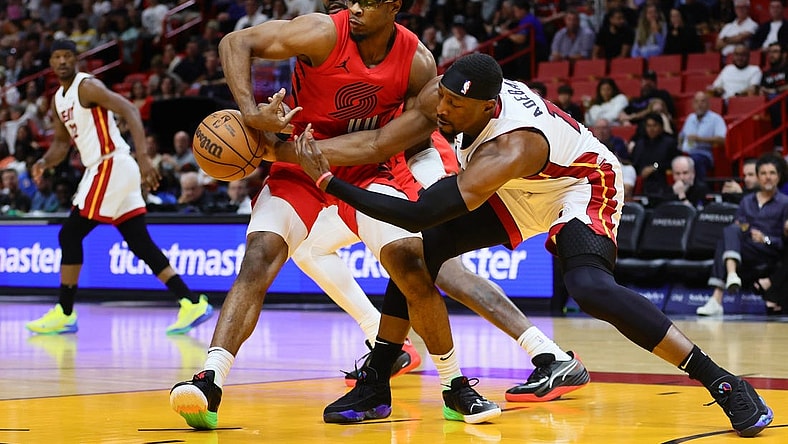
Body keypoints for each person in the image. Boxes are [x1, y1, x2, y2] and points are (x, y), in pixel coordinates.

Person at [286, 53, 774, 437]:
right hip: (525, 186)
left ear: (487, 108)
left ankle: (721, 379)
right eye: (445, 99)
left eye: (456, 106)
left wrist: (328, 182)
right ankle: (375, 385)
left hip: (579, 184)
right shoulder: (454, 95)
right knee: (419, 252)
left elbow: (419, 211)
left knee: (589, 288)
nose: (443, 111)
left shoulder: (509, 146)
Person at [169, 2, 585, 431]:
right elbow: (236, 41)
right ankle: (210, 379)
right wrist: (252, 113)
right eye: (349, 1)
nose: (352, 9)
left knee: (419, 262)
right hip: (302, 164)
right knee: (266, 255)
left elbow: (381, 145)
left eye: (365, 1)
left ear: (393, 6)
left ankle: (460, 381)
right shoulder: (321, 33)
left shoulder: (418, 63)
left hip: (377, 165)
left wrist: (278, 149)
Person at [24, 40, 214, 336]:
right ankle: (191, 302)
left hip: (110, 163)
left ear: (76, 59)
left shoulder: (86, 87)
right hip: (106, 168)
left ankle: (64, 311)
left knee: (70, 233)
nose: (62, 61)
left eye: (68, 56)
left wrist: (144, 158)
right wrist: (44, 163)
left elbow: (130, 110)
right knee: (139, 242)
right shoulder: (58, 100)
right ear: (50, 63)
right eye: (56, 57)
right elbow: (61, 144)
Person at [696, 154, 788, 317]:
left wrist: (765, 239)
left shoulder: (784, 202)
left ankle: (717, 297)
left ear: (779, 177)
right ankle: (730, 277)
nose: (768, 177)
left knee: (727, 239)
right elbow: (740, 224)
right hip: (747, 247)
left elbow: (784, 241)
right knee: (730, 231)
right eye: (764, 173)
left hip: (770, 251)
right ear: (759, 177)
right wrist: (745, 229)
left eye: (772, 173)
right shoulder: (747, 201)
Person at [678, 91, 727, 185]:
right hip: (687, 152)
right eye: (696, 102)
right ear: (693, 104)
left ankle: (701, 190)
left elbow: (723, 140)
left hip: (706, 154)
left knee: (695, 160)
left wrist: (700, 139)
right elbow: (682, 135)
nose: (699, 104)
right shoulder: (690, 118)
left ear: (708, 104)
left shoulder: (716, 119)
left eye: (702, 101)